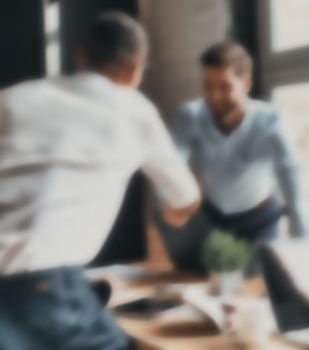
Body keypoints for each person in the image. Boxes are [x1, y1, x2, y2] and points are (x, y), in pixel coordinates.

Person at [0, 12, 200, 350]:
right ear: (134, 69)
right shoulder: (133, 109)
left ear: (81, 57)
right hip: (40, 291)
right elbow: (186, 198)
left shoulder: (13, 99)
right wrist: (174, 214)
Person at [157, 41, 309, 272]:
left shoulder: (270, 120)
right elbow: (169, 164)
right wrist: (167, 201)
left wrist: (302, 241)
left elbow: (291, 175)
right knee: (196, 279)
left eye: (225, 86)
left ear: (246, 84)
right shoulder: (190, 116)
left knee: (257, 284)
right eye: (208, 85)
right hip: (213, 220)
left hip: (259, 221)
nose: (215, 96)